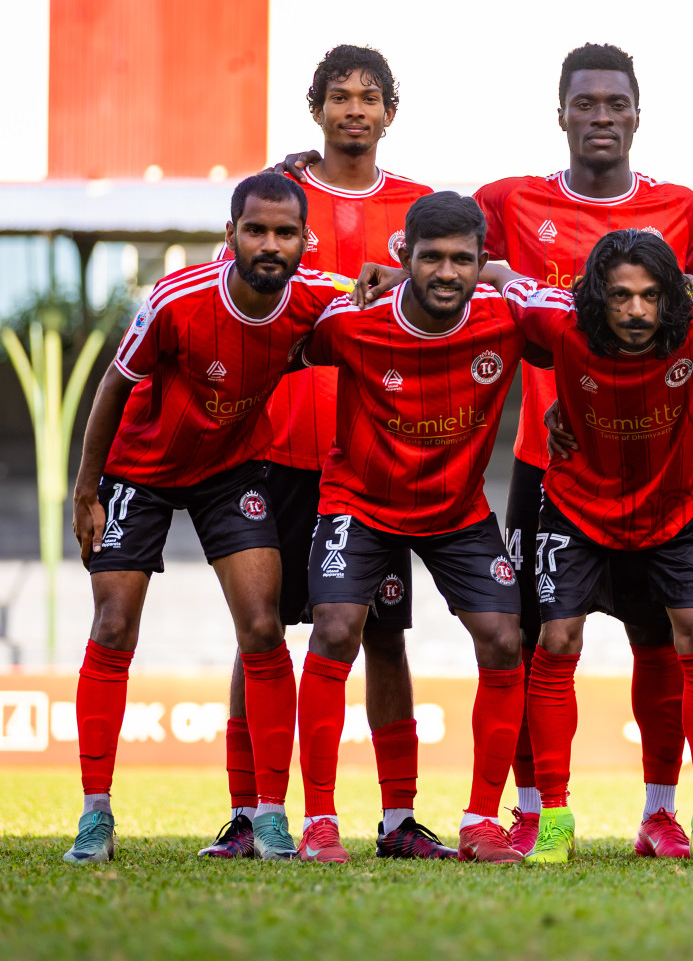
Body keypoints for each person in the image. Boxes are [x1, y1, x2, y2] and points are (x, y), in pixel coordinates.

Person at [473, 43, 693, 857]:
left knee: (661, 642)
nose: (600, 116)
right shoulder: (510, 201)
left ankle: (664, 812)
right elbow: (445, 257)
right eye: (585, 103)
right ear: (560, 113)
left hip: (657, 473)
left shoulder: (683, 211)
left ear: (637, 114)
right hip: (549, 465)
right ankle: (533, 810)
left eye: (615, 103)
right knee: (538, 639)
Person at [208, 44, 441, 862]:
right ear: (316, 109)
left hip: (373, 456)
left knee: (382, 634)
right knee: (261, 631)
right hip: (272, 447)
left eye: (368, 98)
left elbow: (459, 291)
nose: (354, 110)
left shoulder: (419, 208)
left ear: (389, 113)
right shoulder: (276, 198)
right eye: (339, 96)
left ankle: (397, 817)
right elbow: (229, 300)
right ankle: (251, 812)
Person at [63, 174, 337, 863]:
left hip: (231, 471)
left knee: (263, 626)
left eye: (284, 232)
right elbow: (115, 384)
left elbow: (394, 288)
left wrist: (488, 270)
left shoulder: (315, 298)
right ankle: (95, 814)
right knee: (114, 623)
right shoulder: (176, 299)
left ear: (305, 241)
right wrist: (86, 490)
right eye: (256, 230)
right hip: (140, 469)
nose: (269, 244)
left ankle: (268, 815)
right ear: (230, 234)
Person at [494, 232, 693, 864]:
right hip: (576, 509)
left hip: (672, 513)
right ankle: (553, 819)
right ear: (595, 297)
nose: (636, 311)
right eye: (620, 296)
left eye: (651, 296)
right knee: (554, 640)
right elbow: (497, 274)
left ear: (671, 297)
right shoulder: (558, 319)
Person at [293, 192, 534, 864]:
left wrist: (506, 277)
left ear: (482, 261)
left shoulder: (506, 317)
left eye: (463, 259)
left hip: (455, 509)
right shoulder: (353, 321)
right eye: (431, 258)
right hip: (362, 500)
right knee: (336, 628)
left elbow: (575, 334)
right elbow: (284, 336)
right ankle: (318, 822)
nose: (447, 273)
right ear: (406, 257)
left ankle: (481, 822)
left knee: (504, 638)